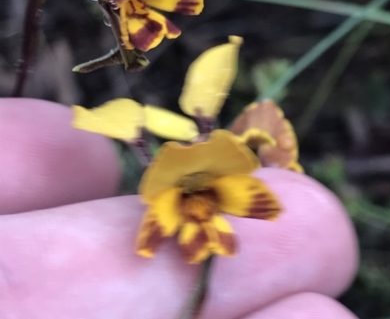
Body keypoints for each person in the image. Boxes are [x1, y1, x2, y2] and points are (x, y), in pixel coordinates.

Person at [0, 98, 359, 318]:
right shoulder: (166, 210)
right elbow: (149, 239)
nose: (201, 209)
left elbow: (265, 206)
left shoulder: (239, 197)